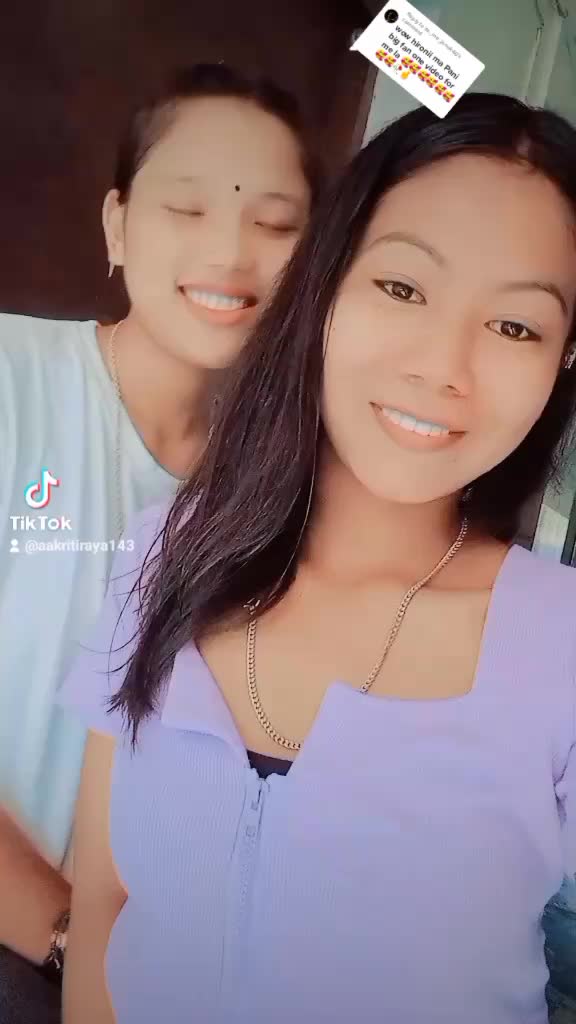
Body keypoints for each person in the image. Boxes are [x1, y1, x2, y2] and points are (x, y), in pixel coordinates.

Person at [59, 92, 576, 1024]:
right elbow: (104, 900)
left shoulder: (562, 645)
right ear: (325, 283)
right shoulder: (164, 551)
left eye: (516, 327)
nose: (443, 366)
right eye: (403, 288)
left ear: (562, 361)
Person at [0, 61, 320, 1005]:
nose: (230, 251)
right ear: (117, 224)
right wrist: (75, 946)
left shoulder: (285, 496)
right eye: (187, 208)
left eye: (276, 225)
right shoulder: (13, 379)